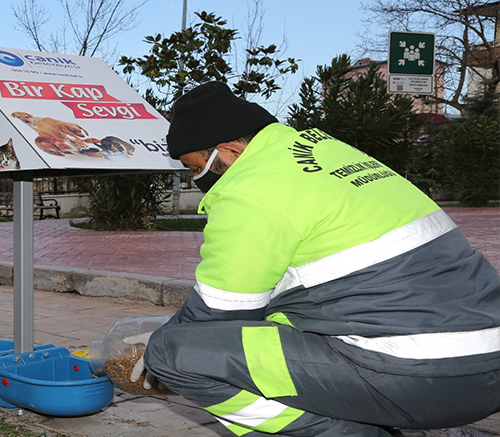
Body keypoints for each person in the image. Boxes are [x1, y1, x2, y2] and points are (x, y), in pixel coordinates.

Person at [126, 82, 500, 436]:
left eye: (195, 168)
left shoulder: (251, 189)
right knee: (279, 320)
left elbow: (217, 313)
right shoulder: (324, 151)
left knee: (174, 354)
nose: (197, 179)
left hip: (428, 377)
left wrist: (160, 340)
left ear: (230, 151)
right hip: (489, 363)